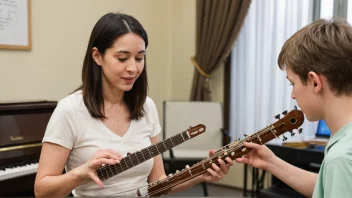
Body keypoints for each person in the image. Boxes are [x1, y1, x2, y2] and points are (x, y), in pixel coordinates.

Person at [34, 12, 233, 197]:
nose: (133, 68)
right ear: (97, 56)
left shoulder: (147, 107)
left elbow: (158, 181)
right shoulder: (70, 110)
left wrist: (200, 175)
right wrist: (81, 173)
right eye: (122, 58)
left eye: (139, 58)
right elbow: (42, 190)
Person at [236, 18, 352, 198]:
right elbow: (332, 186)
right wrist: (271, 162)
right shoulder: (345, 143)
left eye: (292, 84)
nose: (293, 95)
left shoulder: (342, 158)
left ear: (315, 82)